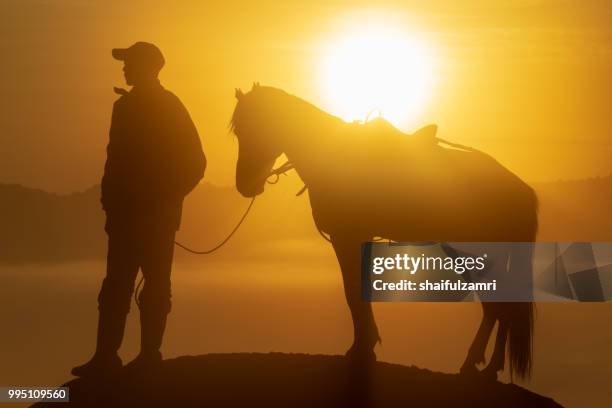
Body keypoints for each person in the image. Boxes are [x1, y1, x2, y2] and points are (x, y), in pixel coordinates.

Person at [72, 42, 205, 376]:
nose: (124, 68)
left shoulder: (168, 107)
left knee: (154, 286)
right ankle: (107, 357)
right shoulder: (125, 106)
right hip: (125, 218)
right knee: (117, 286)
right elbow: (114, 161)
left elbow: (196, 164)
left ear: (147, 67)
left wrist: (165, 200)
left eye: (129, 62)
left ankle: (147, 356)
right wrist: (110, 204)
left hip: (154, 219)